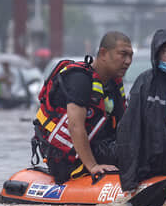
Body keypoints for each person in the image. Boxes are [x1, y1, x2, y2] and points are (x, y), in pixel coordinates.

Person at [32, 31, 132, 184]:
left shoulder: (114, 84)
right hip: (68, 159)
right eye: (123, 54)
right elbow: (75, 126)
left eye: (131, 56)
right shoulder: (80, 80)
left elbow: (126, 125)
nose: (128, 61)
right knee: (136, 151)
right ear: (103, 53)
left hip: (101, 146)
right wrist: (93, 167)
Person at [115, 29, 166, 192]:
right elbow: (131, 129)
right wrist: (129, 182)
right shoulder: (146, 82)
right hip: (158, 159)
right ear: (157, 54)